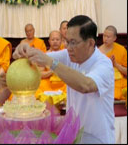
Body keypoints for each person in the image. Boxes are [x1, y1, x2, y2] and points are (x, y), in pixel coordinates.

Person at [13, 15, 115, 144]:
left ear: (90, 43)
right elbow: (41, 56)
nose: (68, 47)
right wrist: (24, 51)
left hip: (97, 137)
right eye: (67, 41)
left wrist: (51, 62)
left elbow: (86, 85)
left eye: (73, 42)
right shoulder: (70, 54)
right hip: (74, 133)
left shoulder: (103, 64)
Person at [99, 25, 127, 100]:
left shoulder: (121, 50)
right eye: (104, 36)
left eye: (108, 37)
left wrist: (116, 65)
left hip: (120, 81)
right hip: (105, 81)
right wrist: (107, 65)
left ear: (114, 38)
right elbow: (95, 72)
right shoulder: (98, 52)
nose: (105, 39)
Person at [36, 30, 67, 97]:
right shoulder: (45, 55)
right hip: (48, 82)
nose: (55, 41)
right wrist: (51, 71)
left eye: (57, 39)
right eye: (53, 40)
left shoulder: (65, 55)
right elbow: (40, 74)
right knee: (39, 87)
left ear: (61, 41)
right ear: (49, 41)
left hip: (62, 83)